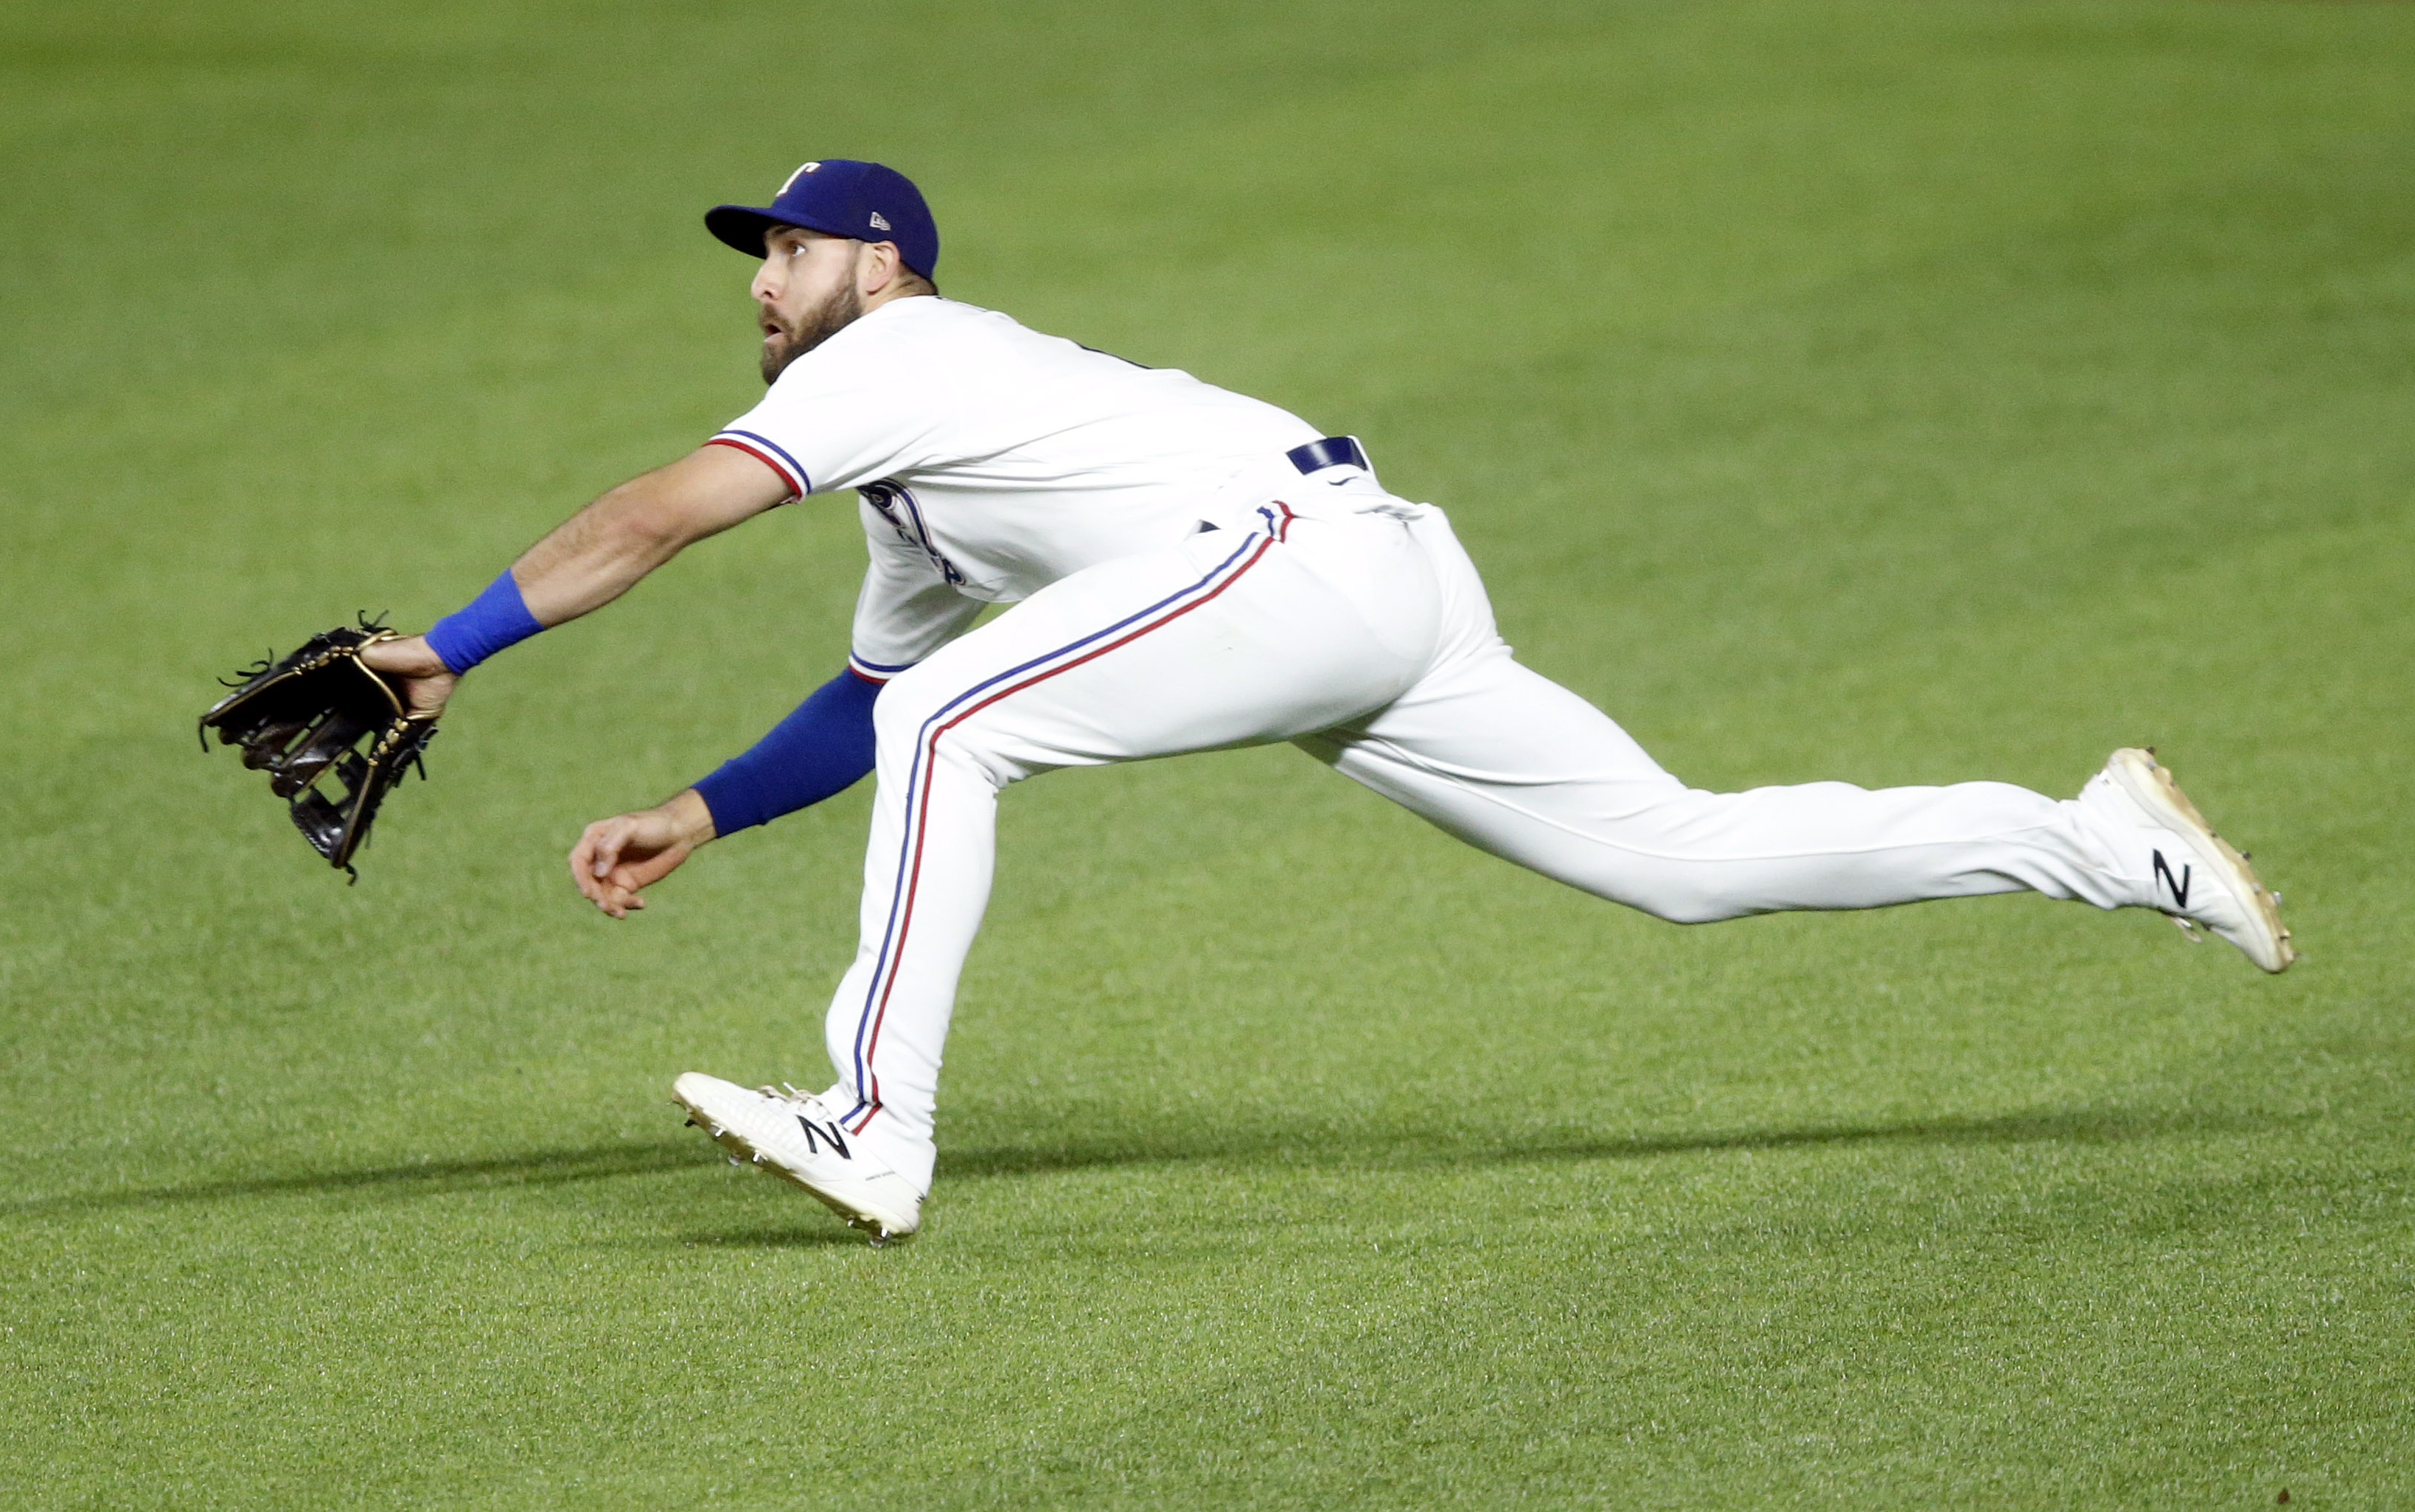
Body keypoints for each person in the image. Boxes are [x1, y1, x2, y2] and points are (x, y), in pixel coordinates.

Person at [360, 159, 2292, 1241]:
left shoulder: (897, 352)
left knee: (972, 718)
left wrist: (452, 642)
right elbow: (870, 695)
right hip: (1372, 584)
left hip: (1288, 564)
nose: (762, 279)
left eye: (784, 246)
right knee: (1678, 862)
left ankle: (875, 1123)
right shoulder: (926, 464)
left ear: (880, 259)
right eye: (760, 255)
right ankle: (2096, 840)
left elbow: (651, 519)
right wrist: (699, 813)